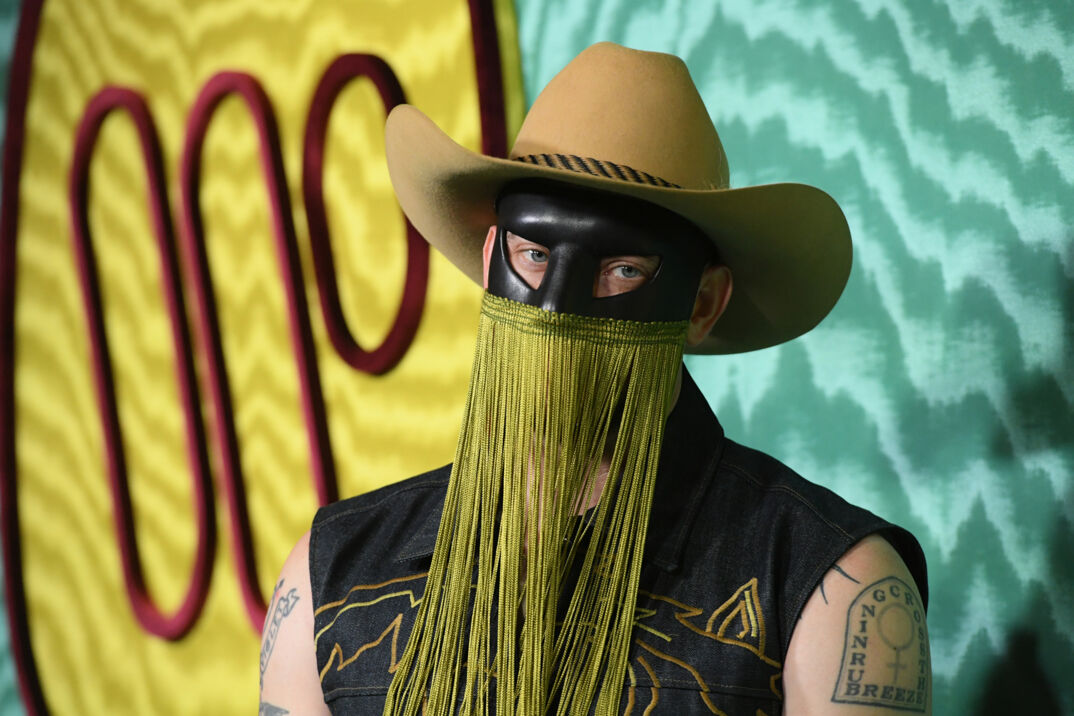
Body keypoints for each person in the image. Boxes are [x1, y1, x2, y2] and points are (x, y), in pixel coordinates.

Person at [259, 42, 931, 716]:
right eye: (533, 254)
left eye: (622, 271)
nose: (558, 310)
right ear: (493, 258)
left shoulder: (822, 582)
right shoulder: (334, 574)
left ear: (701, 304)